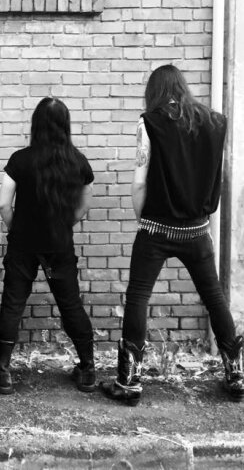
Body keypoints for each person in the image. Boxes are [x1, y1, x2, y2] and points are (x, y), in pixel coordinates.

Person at [101, 65, 243, 405]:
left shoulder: (149, 122)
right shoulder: (215, 122)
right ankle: (236, 373)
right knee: (214, 296)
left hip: (157, 227)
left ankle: (129, 381)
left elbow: (139, 181)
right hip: (197, 229)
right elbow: (216, 175)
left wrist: (143, 220)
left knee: (138, 296)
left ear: (154, 92)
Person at [0, 97, 96, 395]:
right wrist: (62, 226)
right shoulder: (78, 162)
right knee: (70, 303)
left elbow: (3, 204)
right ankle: (88, 369)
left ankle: (2, 372)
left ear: (35, 124)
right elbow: (84, 206)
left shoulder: (19, 160)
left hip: (23, 244)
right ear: (65, 125)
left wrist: (17, 229)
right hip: (59, 244)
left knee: (13, 303)